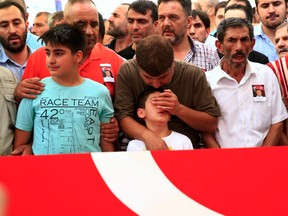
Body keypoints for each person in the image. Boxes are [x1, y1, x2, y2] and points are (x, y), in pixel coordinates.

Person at [14, 0, 122, 152]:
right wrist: (17, 92)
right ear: (64, 23)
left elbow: (124, 111)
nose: (89, 31)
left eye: (94, 24)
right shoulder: (38, 58)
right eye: (81, 24)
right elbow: (27, 107)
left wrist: (116, 124)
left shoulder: (115, 61)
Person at [114, 34, 221, 150]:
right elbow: (123, 116)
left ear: (173, 64)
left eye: (163, 77)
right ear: (138, 67)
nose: (156, 84)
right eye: (148, 78)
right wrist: (148, 137)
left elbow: (211, 124)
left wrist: (179, 109)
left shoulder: (193, 74)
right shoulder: (128, 71)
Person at [204, 18, 288, 148]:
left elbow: (277, 122)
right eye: (232, 40)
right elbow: (206, 131)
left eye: (244, 40)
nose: (239, 47)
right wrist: (223, 162)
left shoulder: (266, 74)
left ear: (252, 44)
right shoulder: (208, 82)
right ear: (219, 46)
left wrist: (261, 158)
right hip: (226, 163)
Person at [157, 0, 219, 72]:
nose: (166, 23)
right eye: (161, 18)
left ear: (188, 21)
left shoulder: (209, 54)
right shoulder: (150, 53)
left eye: (173, 17)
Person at [127, 88, 193, 151]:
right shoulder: (134, 145)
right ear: (141, 113)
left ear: (170, 114)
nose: (161, 106)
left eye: (165, 103)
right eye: (155, 101)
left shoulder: (184, 141)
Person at [0, 1, 33, 82]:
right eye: (4, 25)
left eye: (16, 23)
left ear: (26, 24)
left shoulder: (46, 59)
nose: (12, 30)